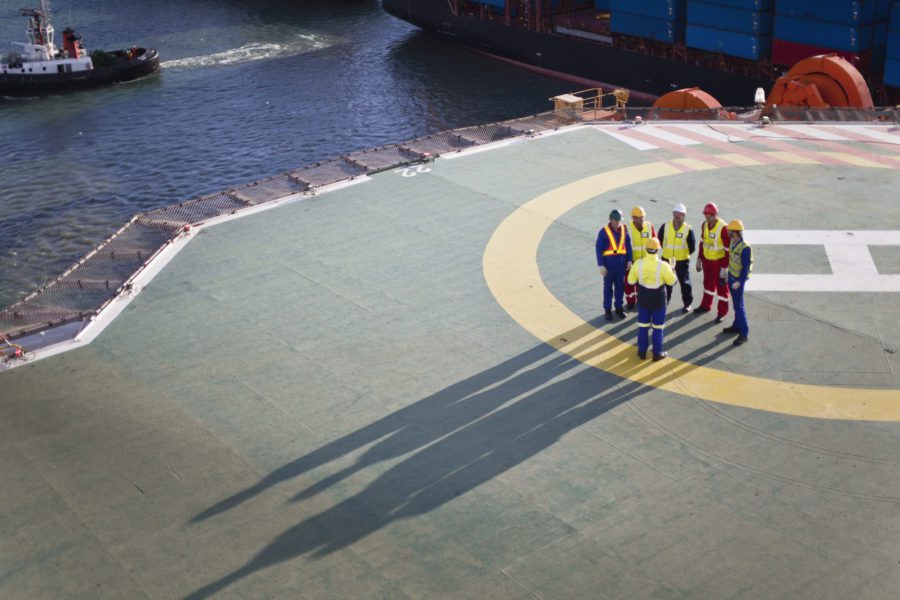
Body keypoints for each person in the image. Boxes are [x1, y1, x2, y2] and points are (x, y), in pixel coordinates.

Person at [627, 237, 676, 361]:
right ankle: (656, 353)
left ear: (646, 249)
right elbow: (672, 282)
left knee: (643, 326)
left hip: (643, 298)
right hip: (658, 300)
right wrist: (673, 269)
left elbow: (630, 281)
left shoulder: (638, 263)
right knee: (658, 328)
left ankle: (642, 352)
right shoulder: (664, 266)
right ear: (657, 250)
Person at [656, 203, 696, 313]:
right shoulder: (665, 226)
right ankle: (665, 300)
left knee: (685, 283)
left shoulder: (688, 229)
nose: (678, 216)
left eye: (680, 214)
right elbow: (659, 240)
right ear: (673, 214)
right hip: (667, 259)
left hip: (682, 260)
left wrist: (682, 254)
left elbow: (692, 247)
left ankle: (687, 304)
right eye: (676, 214)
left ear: (684, 216)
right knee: (666, 281)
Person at [694, 202, 730, 323]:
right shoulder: (704, 225)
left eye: (709, 216)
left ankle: (722, 312)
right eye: (706, 215)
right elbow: (702, 243)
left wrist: (724, 268)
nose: (707, 218)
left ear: (715, 214)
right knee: (708, 284)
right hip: (707, 261)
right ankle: (706, 305)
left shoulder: (724, 228)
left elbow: (727, 250)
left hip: (718, 263)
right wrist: (699, 259)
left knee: (721, 288)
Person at [595, 208, 632, 321]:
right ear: (610, 219)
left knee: (620, 287)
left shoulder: (624, 229)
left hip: (621, 265)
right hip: (609, 266)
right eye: (615, 220)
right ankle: (607, 310)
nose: (617, 222)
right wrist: (601, 265)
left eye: (618, 220)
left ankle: (619, 308)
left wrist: (629, 260)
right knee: (608, 288)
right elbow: (598, 248)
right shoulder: (604, 232)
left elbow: (628, 246)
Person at [723, 219, 752, 346]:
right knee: (735, 304)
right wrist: (727, 275)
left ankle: (744, 333)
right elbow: (731, 261)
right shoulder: (733, 243)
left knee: (739, 306)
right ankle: (736, 325)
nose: (728, 233)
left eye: (730, 231)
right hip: (732, 277)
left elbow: (745, 268)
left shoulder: (745, 248)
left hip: (737, 282)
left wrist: (739, 282)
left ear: (735, 232)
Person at [624, 206, 656, 311]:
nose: (642, 220)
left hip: (645, 261)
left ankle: (642, 300)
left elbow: (654, 242)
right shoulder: (627, 228)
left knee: (644, 282)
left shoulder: (649, 226)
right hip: (632, 261)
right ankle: (630, 301)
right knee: (629, 282)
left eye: (643, 217)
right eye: (639, 218)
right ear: (633, 218)